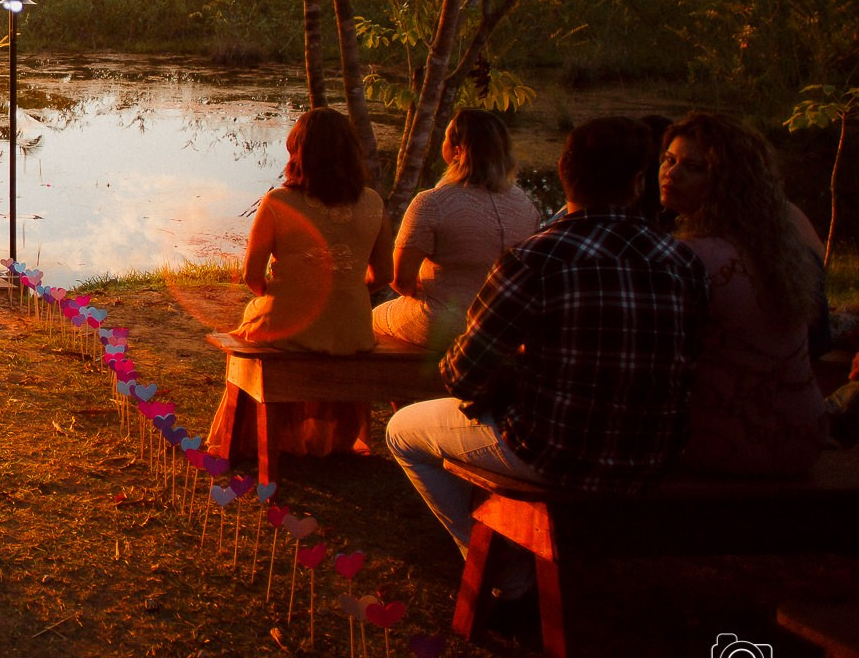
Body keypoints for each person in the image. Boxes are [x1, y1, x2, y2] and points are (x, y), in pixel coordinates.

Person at [387, 117, 709, 603]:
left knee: (403, 431)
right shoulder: (683, 262)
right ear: (638, 182)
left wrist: (514, 369)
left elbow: (461, 374)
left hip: (556, 451)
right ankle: (523, 559)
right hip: (653, 454)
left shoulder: (538, 258)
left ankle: (505, 573)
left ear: (564, 171)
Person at [216, 107, 393, 456]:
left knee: (251, 327)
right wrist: (347, 290)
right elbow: (383, 276)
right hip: (352, 329)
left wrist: (288, 293)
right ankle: (328, 440)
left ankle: (261, 440)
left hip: (291, 326)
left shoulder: (279, 202)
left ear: (298, 151)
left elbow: (253, 277)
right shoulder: (373, 202)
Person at [658, 112, 827, 476]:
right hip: (804, 438)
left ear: (726, 184)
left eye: (693, 167)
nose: (670, 173)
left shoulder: (689, 257)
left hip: (723, 446)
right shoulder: (778, 248)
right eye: (669, 160)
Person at [372, 109, 538, 351]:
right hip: (505, 324)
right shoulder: (525, 204)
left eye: (447, 137)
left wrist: (422, 286)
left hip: (445, 322)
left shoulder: (432, 202)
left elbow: (400, 280)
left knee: (374, 317)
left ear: (458, 151)